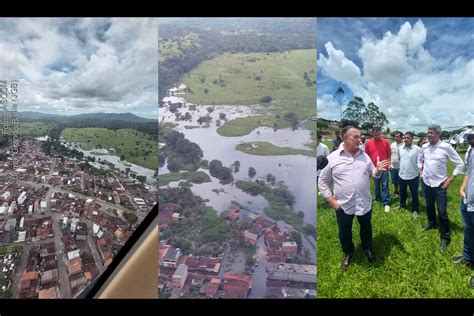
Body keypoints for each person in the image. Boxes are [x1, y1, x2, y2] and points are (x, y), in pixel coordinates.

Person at [319, 126, 388, 269]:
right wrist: (330, 200)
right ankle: (348, 252)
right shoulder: (332, 158)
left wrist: (377, 170)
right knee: (344, 231)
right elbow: (323, 181)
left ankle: (367, 248)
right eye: (355, 137)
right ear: (344, 138)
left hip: (364, 202)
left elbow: (372, 173)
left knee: (366, 227)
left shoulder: (365, 156)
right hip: (343, 204)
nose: (359, 139)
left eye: (359, 136)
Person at [418, 124, 465, 252]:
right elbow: (419, 160)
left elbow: (460, 164)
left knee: (442, 211)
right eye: (428, 132)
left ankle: (445, 237)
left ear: (438, 134)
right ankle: (432, 223)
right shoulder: (424, 147)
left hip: (440, 184)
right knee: (429, 206)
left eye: (431, 133)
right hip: (426, 183)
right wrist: (421, 170)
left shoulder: (446, 147)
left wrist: (451, 179)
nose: (428, 135)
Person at [453, 133, 473, 267]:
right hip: (468, 198)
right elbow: (468, 171)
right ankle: (467, 256)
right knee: (468, 229)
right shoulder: (471, 151)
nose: (469, 139)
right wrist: (462, 187)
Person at [365, 127, 392, 212]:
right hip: (374, 168)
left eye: (378, 134)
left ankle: (386, 203)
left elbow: (389, 154)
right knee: (376, 185)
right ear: (372, 133)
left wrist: (389, 164)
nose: (377, 136)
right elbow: (367, 156)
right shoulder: (369, 143)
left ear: (380, 133)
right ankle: (377, 199)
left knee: (385, 185)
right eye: (375, 134)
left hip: (384, 168)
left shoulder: (385, 142)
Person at [397, 132, 420, 219]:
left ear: (412, 139)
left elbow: (421, 161)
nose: (405, 139)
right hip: (402, 174)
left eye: (408, 138)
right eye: (404, 138)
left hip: (413, 175)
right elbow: (400, 158)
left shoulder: (417, 149)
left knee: (414, 194)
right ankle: (402, 205)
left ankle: (415, 210)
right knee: (402, 192)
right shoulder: (400, 149)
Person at [390, 131, 404, 195]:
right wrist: (389, 164)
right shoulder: (392, 145)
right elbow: (389, 155)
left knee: (401, 181)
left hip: (401, 167)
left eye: (397, 136)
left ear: (401, 137)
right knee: (394, 181)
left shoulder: (404, 145)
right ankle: (396, 191)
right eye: (395, 136)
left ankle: (402, 192)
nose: (395, 138)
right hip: (393, 166)